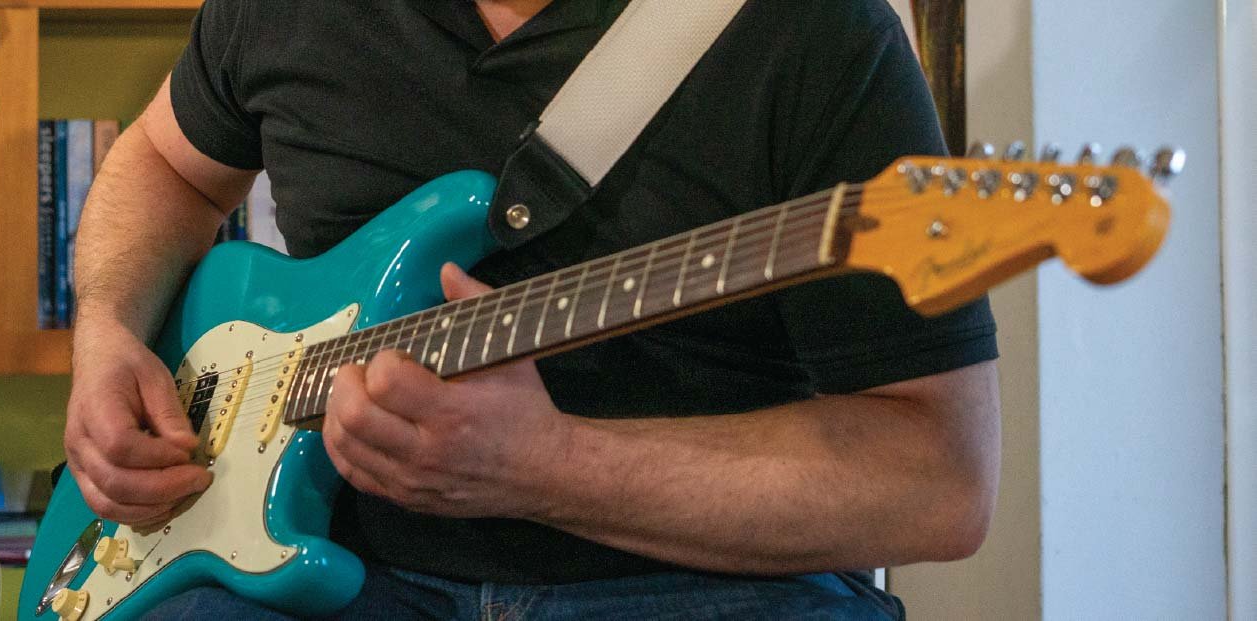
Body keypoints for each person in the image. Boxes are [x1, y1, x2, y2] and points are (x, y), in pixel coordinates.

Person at [64, 0, 1001, 618]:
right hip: (331, 568)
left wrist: (549, 467)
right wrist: (104, 332)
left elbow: (940, 482)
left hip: (704, 584)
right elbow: (165, 162)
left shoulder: (814, 33)